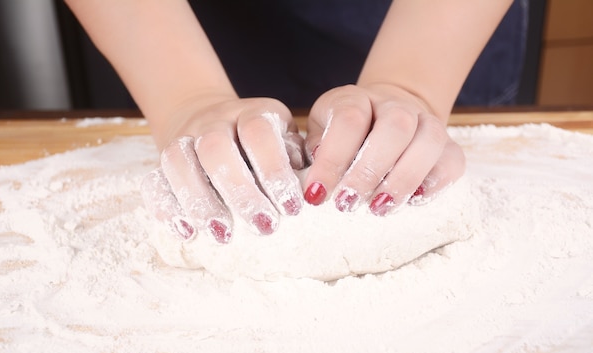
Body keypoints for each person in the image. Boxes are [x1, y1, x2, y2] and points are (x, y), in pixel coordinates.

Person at [64, 0, 526, 244]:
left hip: (440, 23)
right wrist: (187, 99)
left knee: (403, 142)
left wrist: (412, 89)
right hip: (170, 23)